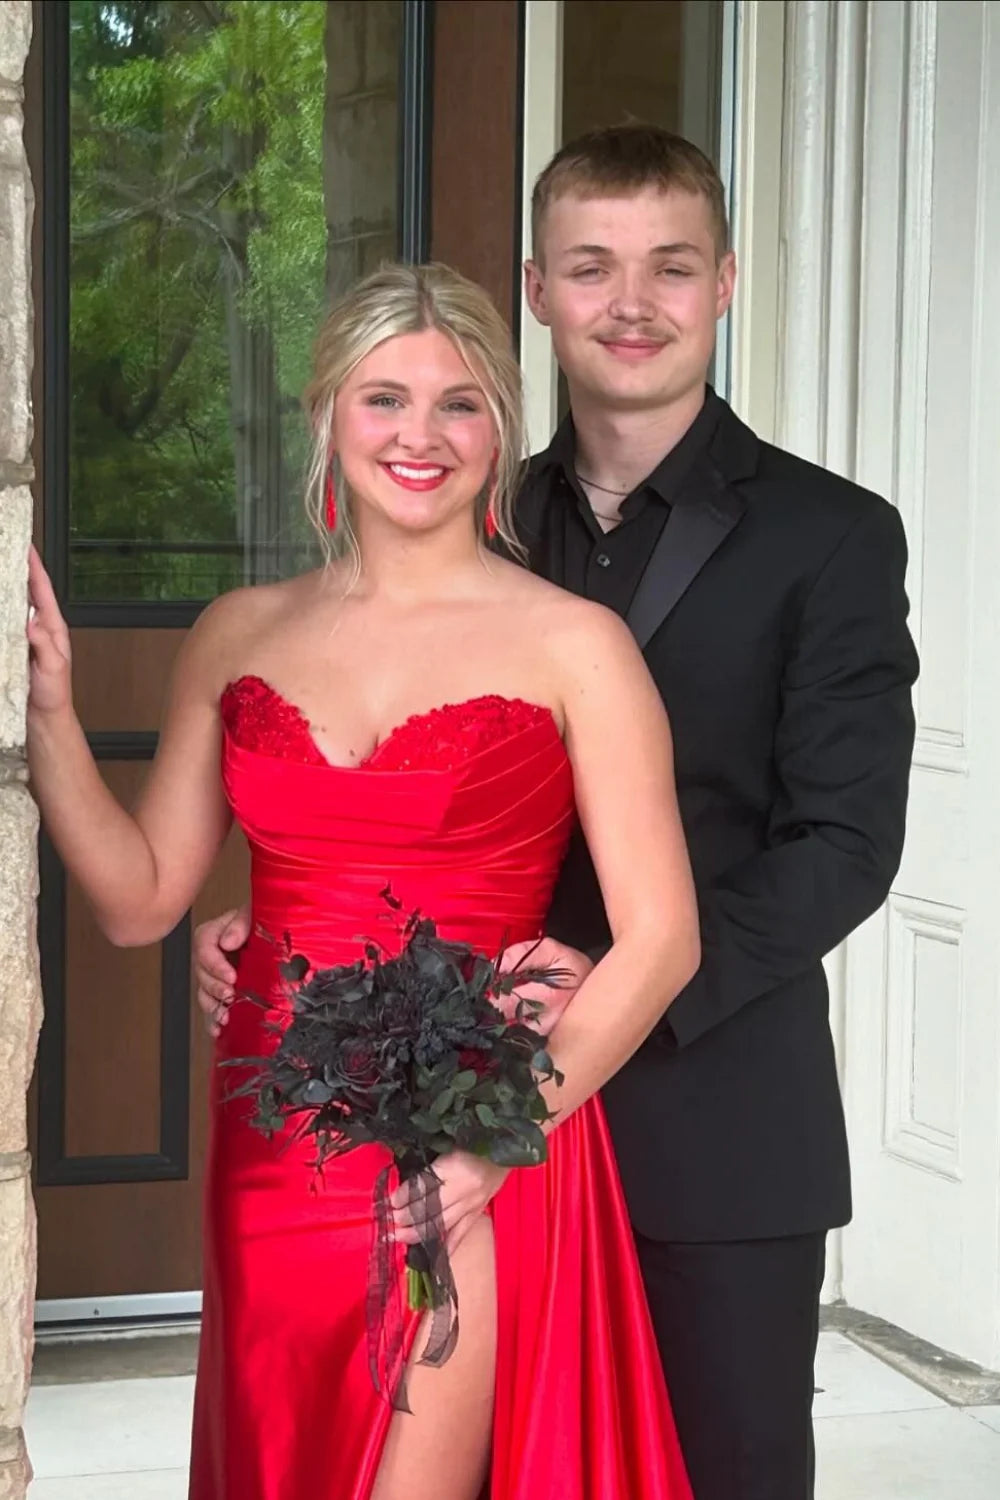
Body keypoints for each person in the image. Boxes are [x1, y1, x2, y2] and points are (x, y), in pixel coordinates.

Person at [192, 123, 920, 1500]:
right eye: (591, 267)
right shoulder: (463, 500)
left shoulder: (831, 535)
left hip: (711, 1126)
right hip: (449, 1128)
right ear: (536, 290)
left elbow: (844, 844)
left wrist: (621, 974)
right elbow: (381, 768)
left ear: (725, 283)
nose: (630, 303)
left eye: (671, 267)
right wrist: (278, 921)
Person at [26, 262, 701, 1500]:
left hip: (469, 1136)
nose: (419, 436)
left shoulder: (574, 643)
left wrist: (498, 1139)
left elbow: (661, 938)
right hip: (273, 1147)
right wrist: (52, 716)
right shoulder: (240, 631)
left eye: (459, 404)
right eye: (385, 398)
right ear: (325, 414)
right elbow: (139, 898)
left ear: (501, 429)